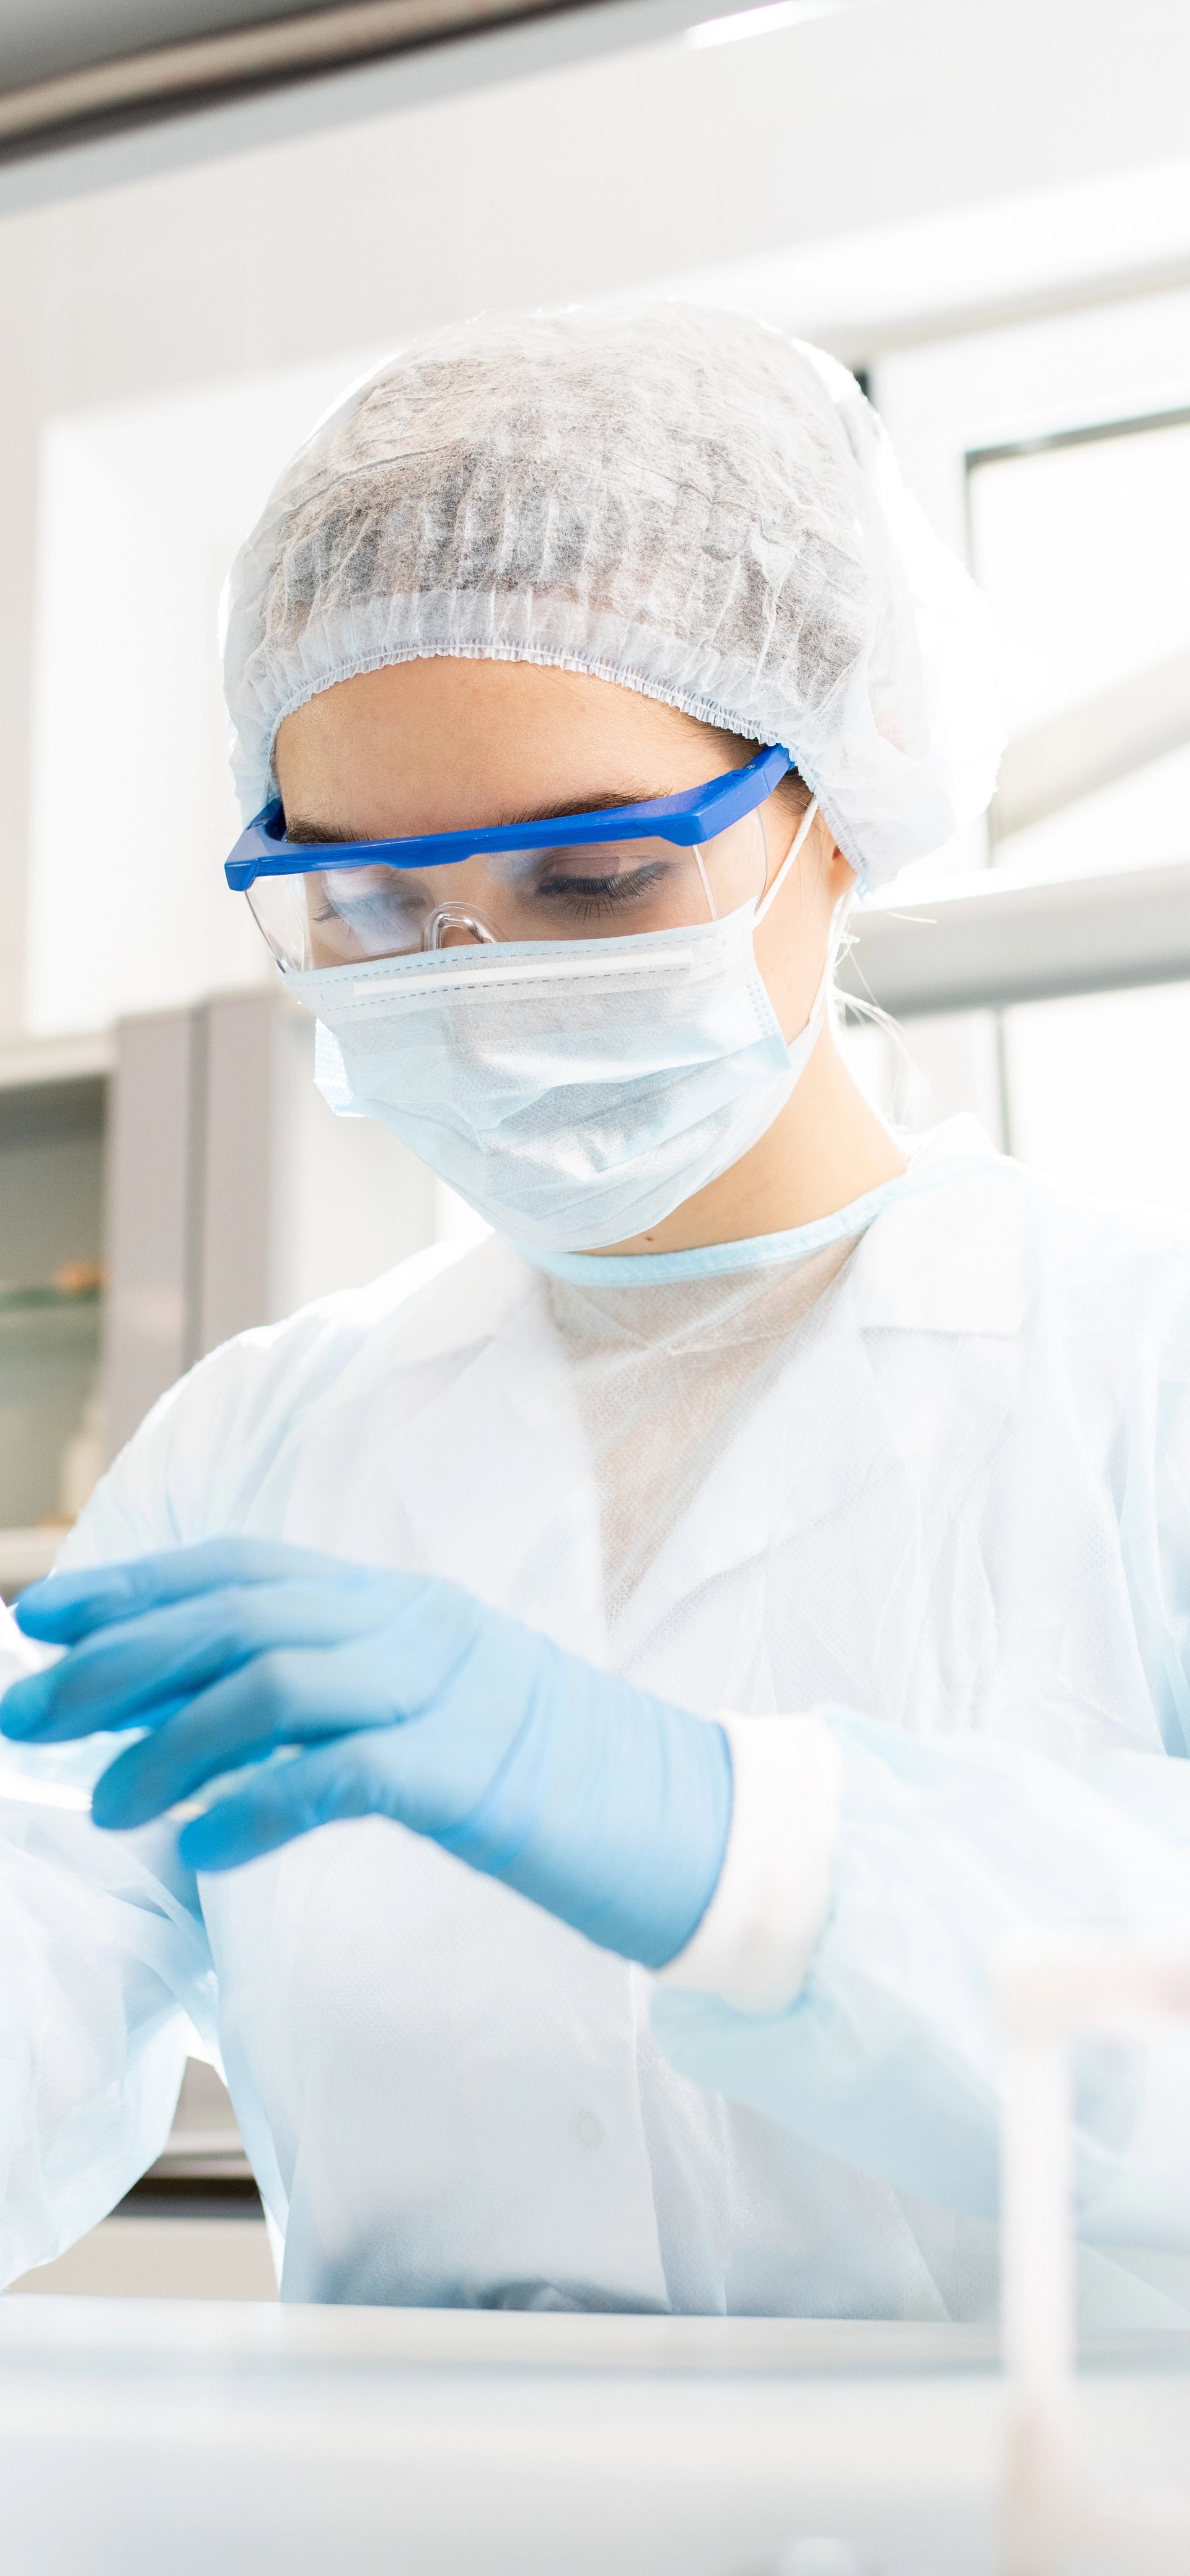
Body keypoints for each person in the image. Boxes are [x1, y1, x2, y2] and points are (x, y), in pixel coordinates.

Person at [3, 304, 1190, 2321]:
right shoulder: (250, 1450)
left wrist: (752, 1849)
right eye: (370, 907)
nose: (478, 978)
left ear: (841, 804)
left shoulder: (1129, 1369)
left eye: (592, 881)